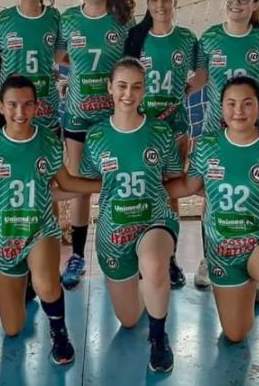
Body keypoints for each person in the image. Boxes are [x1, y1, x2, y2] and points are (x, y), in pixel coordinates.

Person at [165, 76, 259, 386]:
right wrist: (148, 185)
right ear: (221, 108)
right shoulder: (208, 146)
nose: (239, 111)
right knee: (235, 333)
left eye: (247, 103)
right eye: (231, 103)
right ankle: (253, 290)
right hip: (222, 251)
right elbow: (188, 186)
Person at [0, 75, 101, 365]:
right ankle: (29, 286)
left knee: (49, 284)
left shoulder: (47, 141)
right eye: (12, 105)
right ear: (0, 107)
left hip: (39, 229)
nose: (20, 112)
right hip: (2, 238)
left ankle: (59, 332)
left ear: (37, 108)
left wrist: (104, 185)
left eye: (27, 105)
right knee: (12, 328)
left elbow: (66, 183)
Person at [79, 57, 183, 373]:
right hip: (114, 233)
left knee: (153, 263)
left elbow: (174, 181)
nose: (128, 94)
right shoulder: (96, 136)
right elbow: (87, 183)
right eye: (122, 86)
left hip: (155, 220)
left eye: (136, 87)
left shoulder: (161, 132)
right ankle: (150, 284)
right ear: (110, 88)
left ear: (144, 90)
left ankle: (158, 339)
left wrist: (208, 188)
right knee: (127, 319)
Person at [187, 0, 259, 288]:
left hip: (254, 132)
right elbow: (199, 78)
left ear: (254, 4)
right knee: (212, 197)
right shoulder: (211, 37)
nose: (236, 2)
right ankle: (210, 258)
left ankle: (258, 263)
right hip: (215, 130)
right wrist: (173, 99)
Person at [56, 0, 135, 289]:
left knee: (116, 184)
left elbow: (131, 64)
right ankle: (77, 256)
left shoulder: (122, 21)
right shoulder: (69, 19)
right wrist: (68, 78)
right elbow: (58, 55)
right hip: (76, 115)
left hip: (112, 118)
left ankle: (119, 249)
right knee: (78, 185)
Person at [124, 0, 198, 288]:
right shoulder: (137, 38)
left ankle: (169, 258)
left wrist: (187, 90)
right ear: (148, 3)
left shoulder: (186, 38)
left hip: (177, 128)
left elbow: (204, 71)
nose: (160, 4)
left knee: (171, 192)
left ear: (175, 1)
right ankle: (141, 255)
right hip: (143, 129)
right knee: (141, 191)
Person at [0, 0, 63, 133]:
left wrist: (53, 70)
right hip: (12, 110)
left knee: (46, 159)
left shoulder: (54, 18)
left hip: (45, 107)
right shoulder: (4, 19)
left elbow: (60, 56)